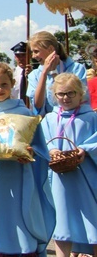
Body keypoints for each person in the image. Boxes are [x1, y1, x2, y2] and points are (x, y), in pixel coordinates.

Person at [0, 62, 55, 257]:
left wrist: (31, 153)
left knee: (23, 213)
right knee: (1, 214)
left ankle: (27, 249)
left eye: (4, 85)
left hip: (21, 176)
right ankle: (1, 249)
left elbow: (41, 148)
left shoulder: (24, 113)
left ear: (12, 84)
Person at [42, 73, 97, 257]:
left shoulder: (90, 117)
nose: (65, 98)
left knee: (93, 221)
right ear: (54, 95)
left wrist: (85, 149)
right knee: (63, 223)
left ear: (80, 94)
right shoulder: (50, 118)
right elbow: (42, 141)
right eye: (61, 94)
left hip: (86, 179)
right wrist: (50, 151)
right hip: (60, 180)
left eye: (71, 93)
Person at [27, 31, 88, 115]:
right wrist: (44, 73)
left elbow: (80, 99)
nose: (33, 56)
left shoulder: (76, 69)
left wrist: (54, 74)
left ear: (51, 49)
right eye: (32, 52)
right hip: (48, 123)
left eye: (36, 51)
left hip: (74, 119)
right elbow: (37, 105)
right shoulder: (34, 75)